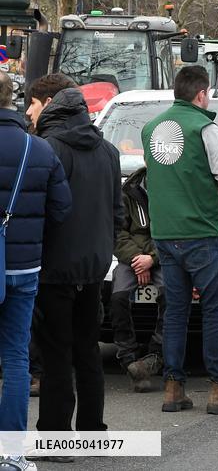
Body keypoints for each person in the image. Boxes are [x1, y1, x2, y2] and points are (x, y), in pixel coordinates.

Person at [142, 65, 218, 415]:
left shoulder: (150, 128)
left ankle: (173, 388)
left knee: (175, 312)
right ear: (201, 94)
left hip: (164, 232)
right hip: (200, 232)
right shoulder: (205, 126)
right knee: (215, 312)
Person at [26, 74, 123, 434]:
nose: (29, 112)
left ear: (50, 107)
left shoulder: (47, 149)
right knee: (87, 351)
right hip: (94, 265)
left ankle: (55, 434)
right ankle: (92, 428)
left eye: (33, 105)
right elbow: (117, 213)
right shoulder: (108, 151)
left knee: (55, 355)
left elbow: (44, 212)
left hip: (54, 266)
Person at [0, 72, 71, 471]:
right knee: (15, 359)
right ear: (13, 100)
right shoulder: (38, 150)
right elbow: (62, 208)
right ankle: (11, 453)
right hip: (24, 266)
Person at [111, 166, 165, 393]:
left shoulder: (175, 190)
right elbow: (118, 232)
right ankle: (128, 356)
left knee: (172, 294)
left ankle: (157, 353)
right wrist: (137, 259)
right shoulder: (126, 191)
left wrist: (151, 259)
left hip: (162, 256)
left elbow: (175, 232)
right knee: (118, 297)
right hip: (130, 258)